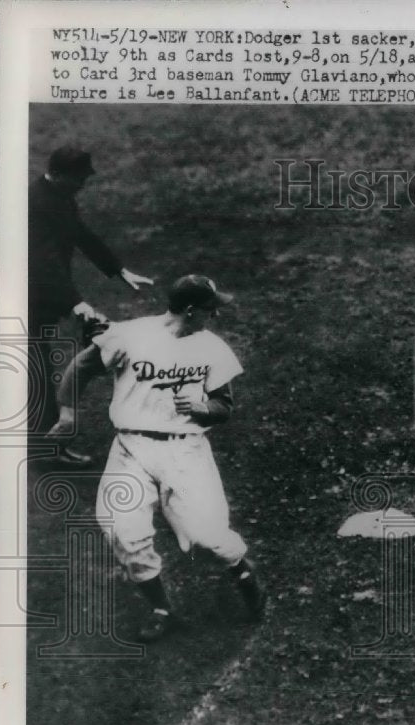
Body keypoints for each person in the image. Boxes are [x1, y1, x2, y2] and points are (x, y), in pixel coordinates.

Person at [47, 274, 266, 642]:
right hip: (131, 449)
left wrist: (201, 408)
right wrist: (67, 414)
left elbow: (224, 406)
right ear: (192, 311)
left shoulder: (212, 348)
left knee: (207, 537)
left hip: (186, 451)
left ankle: (243, 573)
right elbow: (81, 368)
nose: (215, 317)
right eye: (211, 310)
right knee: (124, 531)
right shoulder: (130, 335)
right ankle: (161, 609)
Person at [29, 146, 154, 464]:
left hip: (38, 297)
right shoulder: (36, 203)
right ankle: (45, 449)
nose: (83, 184)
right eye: (79, 179)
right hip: (28, 298)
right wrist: (77, 304)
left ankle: (43, 444)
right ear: (59, 174)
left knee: (36, 369)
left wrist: (118, 269)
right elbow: (44, 265)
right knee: (37, 372)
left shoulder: (59, 196)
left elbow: (81, 235)